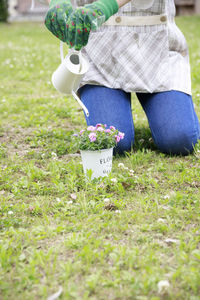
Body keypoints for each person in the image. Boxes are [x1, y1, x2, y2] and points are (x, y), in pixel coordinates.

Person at [45, 0, 200, 155]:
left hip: (156, 49)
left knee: (179, 141)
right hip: (99, 54)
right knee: (113, 144)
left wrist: (106, 5)